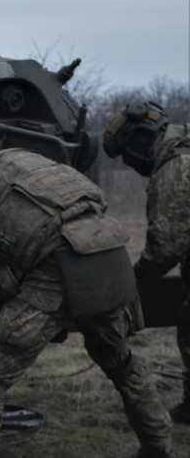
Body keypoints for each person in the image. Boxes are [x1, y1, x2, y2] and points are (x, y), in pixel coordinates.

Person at [0, 126, 174, 458]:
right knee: (121, 362)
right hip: (109, 255)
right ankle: (160, 447)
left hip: (57, 268)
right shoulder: (24, 159)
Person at [102, 101, 190, 423]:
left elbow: (165, 247)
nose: (131, 163)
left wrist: (135, 280)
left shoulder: (176, 167)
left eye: (127, 154)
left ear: (140, 140)